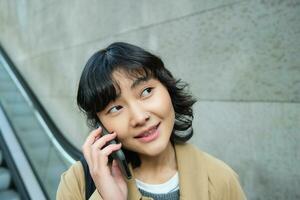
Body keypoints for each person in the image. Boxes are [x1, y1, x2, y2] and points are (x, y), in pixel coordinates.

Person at [56, 42, 246, 200]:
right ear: (101, 126)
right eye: (116, 108)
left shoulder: (221, 180)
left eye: (146, 91)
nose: (139, 117)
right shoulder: (78, 184)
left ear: (167, 88)